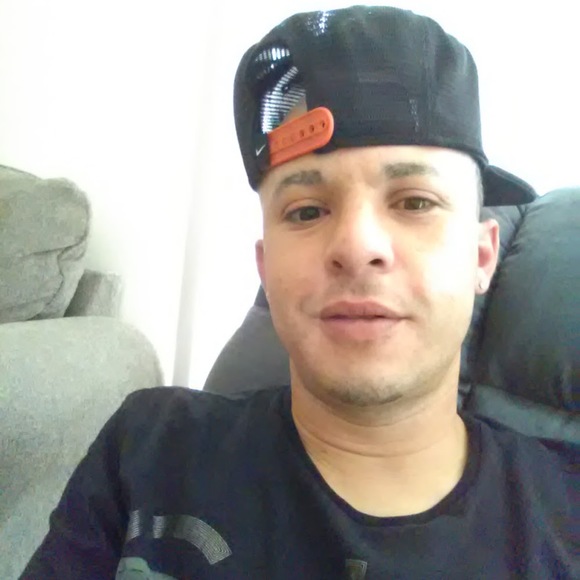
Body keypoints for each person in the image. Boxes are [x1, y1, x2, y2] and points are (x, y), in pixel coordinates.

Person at [21, 6, 577, 579]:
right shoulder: (145, 451)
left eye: (415, 202)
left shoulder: (567, 511)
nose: (357, 245)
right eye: (307, 210)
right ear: (265, 268)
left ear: (481, 256)